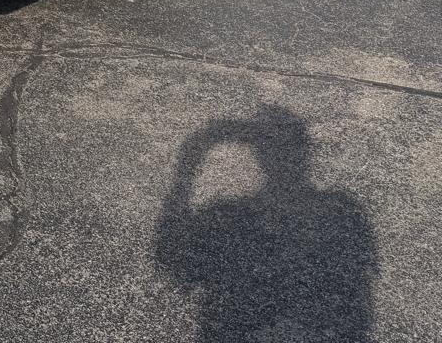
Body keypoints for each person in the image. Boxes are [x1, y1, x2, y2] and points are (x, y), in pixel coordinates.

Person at [154, 105, 378, 341]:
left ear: (257, 154)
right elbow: (359, 302)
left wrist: (188, 164)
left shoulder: (227, 216)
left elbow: (172, 263)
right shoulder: (343, 210)